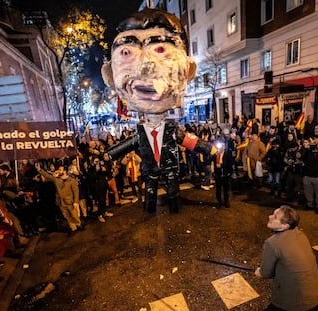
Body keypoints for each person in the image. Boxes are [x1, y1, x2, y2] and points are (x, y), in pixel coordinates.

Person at [102, 8, 210, 213]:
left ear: (188, 71)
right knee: (150, 191)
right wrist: (111, 154)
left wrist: (207, 148)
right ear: (109, 75)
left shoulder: (171, 129)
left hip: (170, 169)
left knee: (172, 190)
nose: (146, 66)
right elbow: (129, 144)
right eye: (127, 52)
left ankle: (174, 207)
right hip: (150, 170)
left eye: (161, 49)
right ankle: (150, 209)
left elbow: (187, 141)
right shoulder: (141, 131)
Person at [255, 205, 318, 311]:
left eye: (275, 217)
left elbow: (265, 273)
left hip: (297, 300)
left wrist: (259, 272)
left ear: (285, 226)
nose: (269, 217)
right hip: (317, 292)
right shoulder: (300, 234)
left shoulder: (272, 243)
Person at [35, 163, 83, 235]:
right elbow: (48, 176)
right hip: (61, 202)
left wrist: (76, 201)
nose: (58, 171)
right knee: (66, 215)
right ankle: (73, 227)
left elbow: (76, 191)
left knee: (74, 214)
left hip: (69, 201)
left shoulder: (71, 180)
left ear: (64, 171)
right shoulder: (57, 180)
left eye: (60, 170)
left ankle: (78, 224)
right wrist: (40, 170)